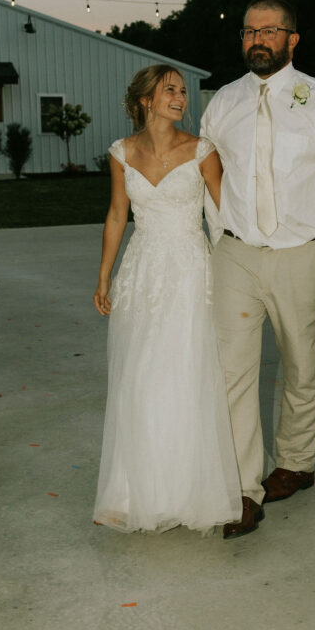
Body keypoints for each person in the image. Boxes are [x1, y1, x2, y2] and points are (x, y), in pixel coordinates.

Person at [201, 0, 315, 539]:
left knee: (301, 362)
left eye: (269, 31)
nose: (258, 40)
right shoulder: (223, 102)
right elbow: (209, 176)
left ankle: (295, 462)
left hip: (301, 252)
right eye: (249, 31)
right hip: (236, 254)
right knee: (232, 373)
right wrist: (214, 241)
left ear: (292, 40)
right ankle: (242, 490)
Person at [92, 64, 241, 534]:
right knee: (141, 376)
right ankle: (133, 492)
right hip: (141, 273)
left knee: (187, 375)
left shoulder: (202, 151)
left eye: (182, 90)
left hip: (191, 271)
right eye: (169, 90)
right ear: (144, 100)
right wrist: (104, 277)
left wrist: (233, 273)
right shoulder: (121, 153)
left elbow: (223, 217)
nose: (180, 97)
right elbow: (118, 215)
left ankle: (189, 493)